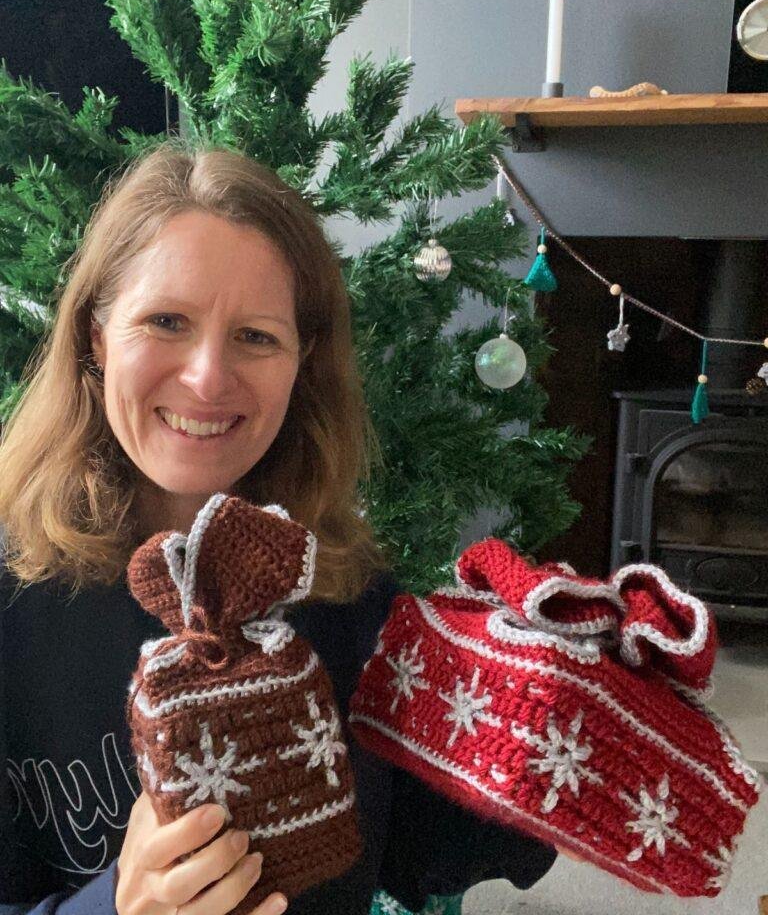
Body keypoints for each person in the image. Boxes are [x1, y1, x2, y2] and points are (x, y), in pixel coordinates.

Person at [0, 143, 557, 915]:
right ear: (96, 337)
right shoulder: (12, 595)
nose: (206, 378)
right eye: (166, 320)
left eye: (257, 336)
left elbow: (409, 848)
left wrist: (543, 757)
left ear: (302, 363)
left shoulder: (346, 592)